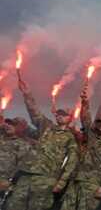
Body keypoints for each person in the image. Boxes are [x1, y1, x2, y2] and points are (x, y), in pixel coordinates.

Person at [5, 76, 79, 210]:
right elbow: (35, 112)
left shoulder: (70, 138)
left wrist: (61, 182)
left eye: (64, 114)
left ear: (70, 118)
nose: (60, 116)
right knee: (13, 205)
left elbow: (71, 162)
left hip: (46, 178)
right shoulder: (46, 126)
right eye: (58, 114)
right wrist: (27, 94)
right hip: (26, 174)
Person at [60, 82, 101, 210]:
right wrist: (85, 102)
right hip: (76, 180)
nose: (100, 125)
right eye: (98, 122)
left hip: (93, 184)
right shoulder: (91, 136)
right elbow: (85, 118)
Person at [0, 117, 32, 196]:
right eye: (7, 123)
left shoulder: (23, 145)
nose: (8, 126)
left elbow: (22, 167)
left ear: (20, 128)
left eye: (12, 125)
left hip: (5, 184)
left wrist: (9, 181)